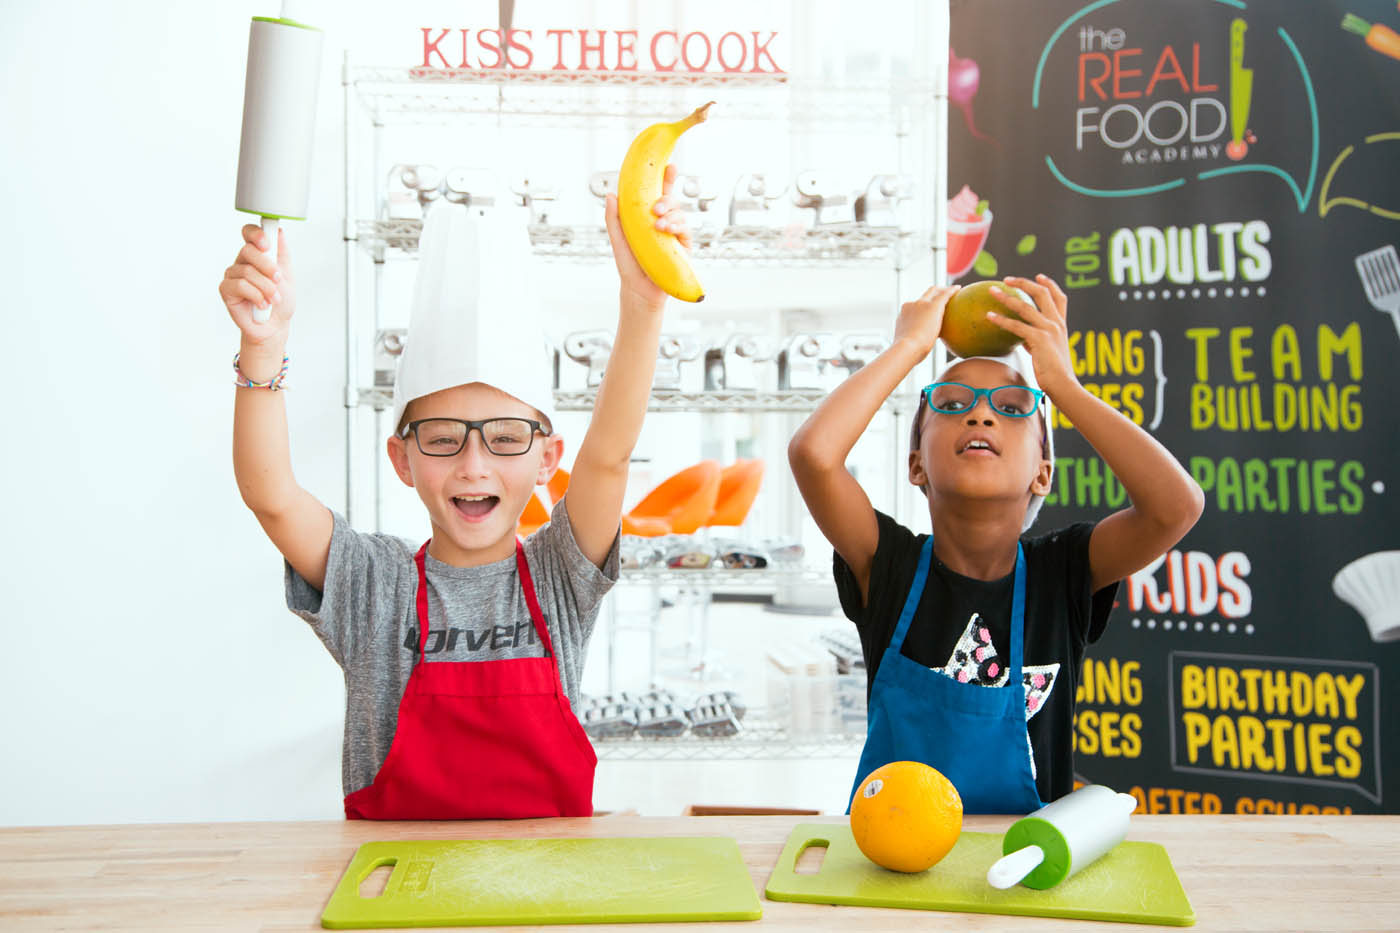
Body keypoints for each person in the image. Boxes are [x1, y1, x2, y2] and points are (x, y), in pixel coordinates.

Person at [219, 168, 692, 820]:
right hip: (393, 897)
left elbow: (608, 458)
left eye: (504, 438)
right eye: (443, 439)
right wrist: (263, 347)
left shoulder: (560, 573)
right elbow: (270, 493)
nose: (474, 464)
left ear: (549, 458)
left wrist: (643, 305)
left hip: (548, 897)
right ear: (403, 457)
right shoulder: (370, 583)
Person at [788, 276, 1203, 814]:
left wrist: (1062, 386)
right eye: (952, 402)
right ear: (916, 464)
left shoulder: (1064, 573)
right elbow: (814, 455)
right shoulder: (888, 563)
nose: (981, 414)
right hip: (889, 865)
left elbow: (1177, 506)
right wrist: (909, 348)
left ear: (1042, 473)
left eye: (1012, 407)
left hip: (1026, 867)